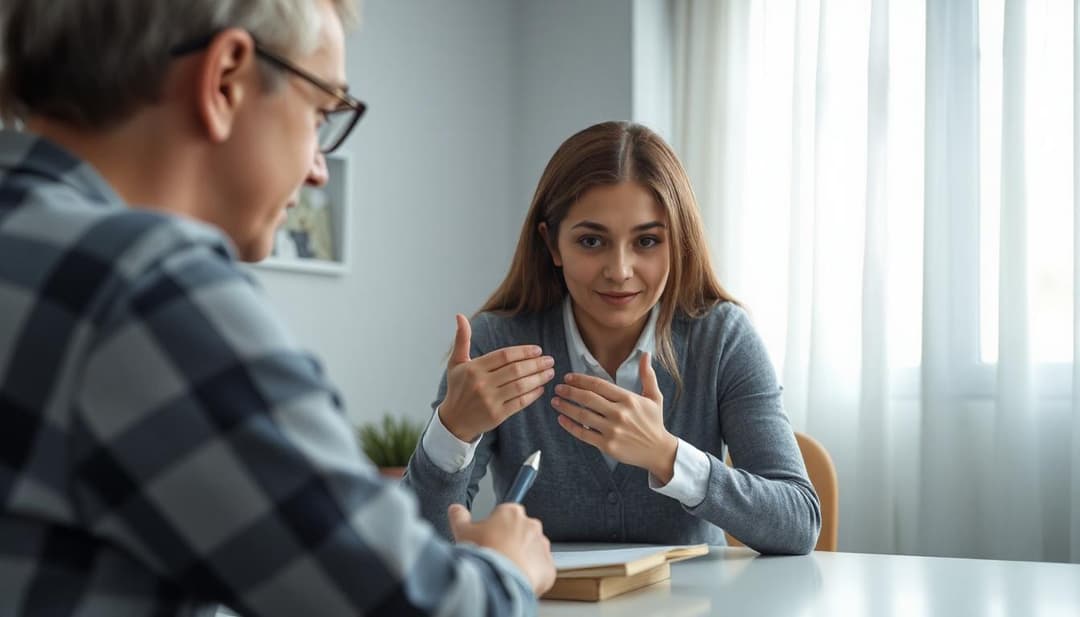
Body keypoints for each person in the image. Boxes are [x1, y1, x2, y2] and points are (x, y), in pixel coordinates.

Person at [0, 1, 554, 615]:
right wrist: (508, 569)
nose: (319, 170)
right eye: (321, 112)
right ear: (225, 79)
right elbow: (416, 606)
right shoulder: (148, 288)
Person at [404, 121, 821, 554]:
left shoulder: (722, 337)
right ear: (552, 245)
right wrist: (452, 431)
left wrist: (666, 455)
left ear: (677, 243)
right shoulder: (497, 341)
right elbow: (412, 546)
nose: (620, 270)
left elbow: (798, 523)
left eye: (646, 241)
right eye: (591, 240)